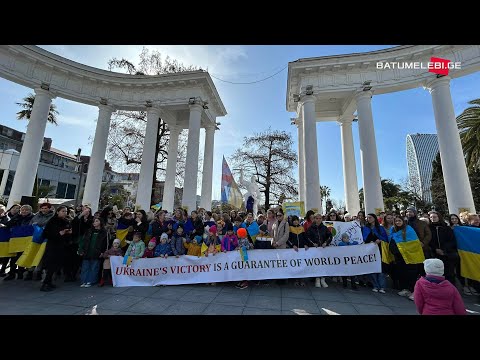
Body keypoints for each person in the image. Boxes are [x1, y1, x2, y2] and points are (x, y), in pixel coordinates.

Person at [40, 206, 72, 291]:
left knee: (56, 266)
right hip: (53, 246)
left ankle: (50, 282)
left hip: (62, 246)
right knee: (50, 265)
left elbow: (68, 233)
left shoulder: (66, 221)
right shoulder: (52, 221)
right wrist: (59, 233)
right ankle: (45, 283)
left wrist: (68, 233)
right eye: (62, 211)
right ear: (57, 212)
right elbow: (46, 234)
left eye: (66, 211)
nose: (64, 213)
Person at [78, 218, 109, 287]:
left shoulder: (104, 232)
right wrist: (81, 249)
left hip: (97, 252)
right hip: (87, 251)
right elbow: (84, 241)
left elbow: (106, 243)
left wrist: (102, 252)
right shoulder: (89, 231)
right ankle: (84, 280)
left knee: (94, 267)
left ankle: (91, 281)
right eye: (93, 221)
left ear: (101, 222)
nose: (94, 222)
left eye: (96, 221)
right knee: (85, 267)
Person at [305, 213, 332, 288]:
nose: (318, 220)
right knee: (316, 264)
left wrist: (326, 243)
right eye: (317, 218)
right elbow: (307, 237)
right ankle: (317, 279)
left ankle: (323, 279)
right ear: (314, 219)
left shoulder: (324, 228)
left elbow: (330, 236)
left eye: (320, 218)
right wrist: (313, 243)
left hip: (323, 249)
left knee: (323, 264)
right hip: (315, 250)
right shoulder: (311, 228)